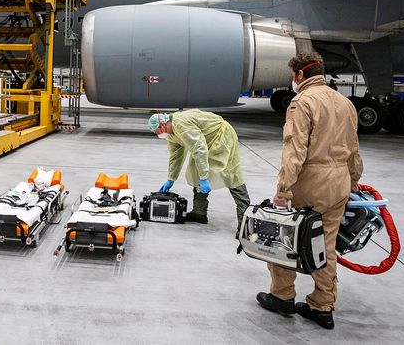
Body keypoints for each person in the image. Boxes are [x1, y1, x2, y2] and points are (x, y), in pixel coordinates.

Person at [256, 52, 363, 330]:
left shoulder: (302, 102)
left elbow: (294, 151)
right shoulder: (345, 103)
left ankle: (282, 296)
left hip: (311, 180)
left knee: (284, 238)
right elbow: (354, 148)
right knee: (326, 245)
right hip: (339, 181)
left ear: (300, 75)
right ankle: (322, 306)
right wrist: (353, 181)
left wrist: (283, 189)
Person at [148, 110, 251, 224]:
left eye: (158, 131)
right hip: (205, 142)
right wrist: (171, 178)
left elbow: (199, 149)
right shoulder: (171, 134)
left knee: (230, 174)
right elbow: (175, 156)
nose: (159, 135)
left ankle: (245, 224)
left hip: (221, 136)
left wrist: (204, 178)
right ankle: (199, 213)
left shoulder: (182, 125)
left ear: (162, 124)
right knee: (196, 171)